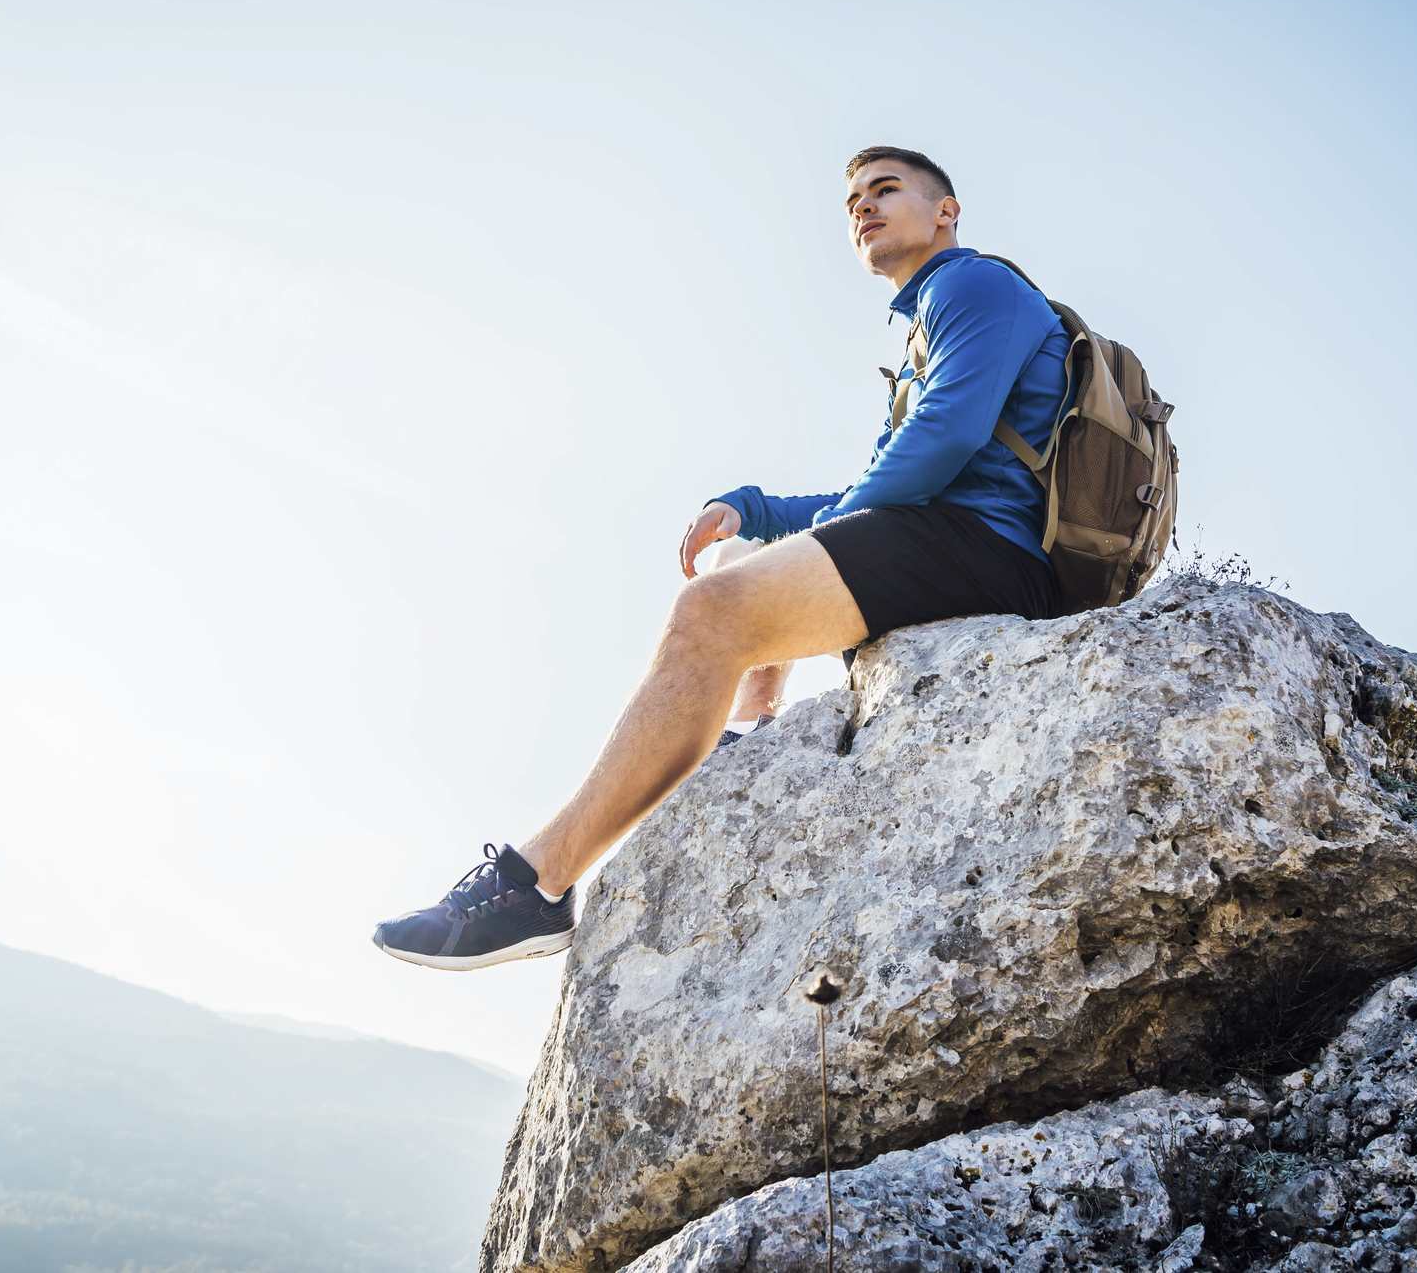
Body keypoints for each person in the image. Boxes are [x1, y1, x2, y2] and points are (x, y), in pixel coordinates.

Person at [373, 146, 1070, 971]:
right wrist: (757, 509)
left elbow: (939, 443)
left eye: (885, 191)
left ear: (945, 210)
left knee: (710, 610)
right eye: (852, 200)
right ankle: (747, 732)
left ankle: (535, 886)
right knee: (738, 556)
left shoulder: (971, 284)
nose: (863, 209)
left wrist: (816, 531)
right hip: (952, 541)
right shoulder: (927, 325)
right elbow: (887, 482)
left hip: (994, 554)